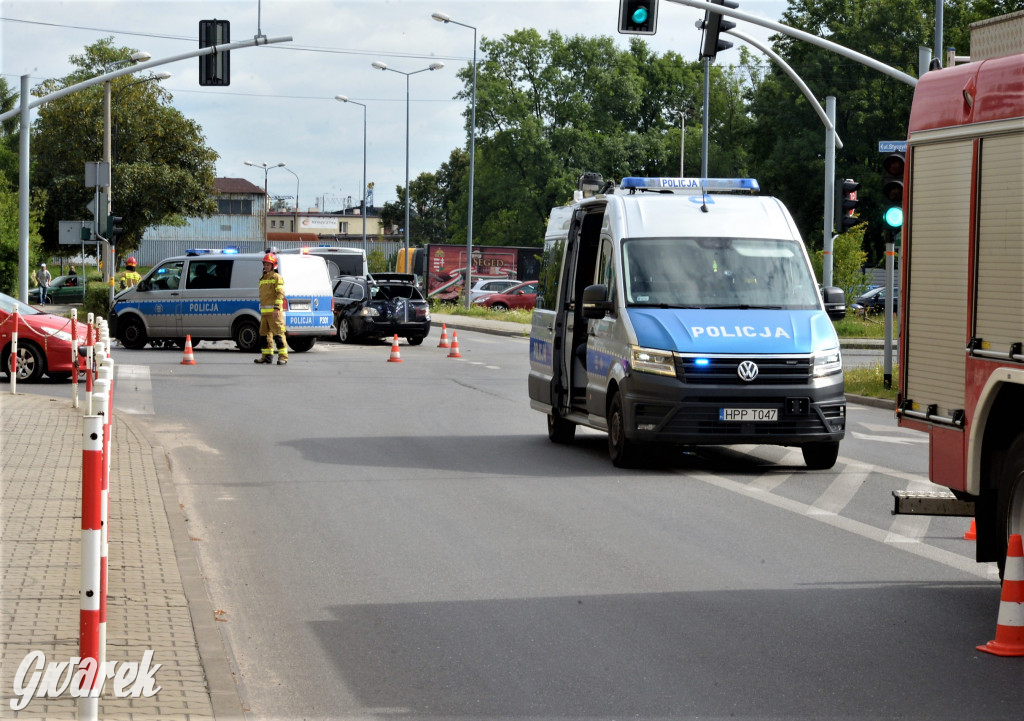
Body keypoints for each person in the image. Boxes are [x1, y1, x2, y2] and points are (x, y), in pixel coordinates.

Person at [255, 252, 288, 366]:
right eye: (265, 264)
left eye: (268, 264)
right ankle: (267, 357)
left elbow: (280, 294)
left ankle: (283, 357)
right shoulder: (263, 278)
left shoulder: (277, 277)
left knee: (278, 335)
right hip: (264, 313)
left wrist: (277, 308)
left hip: (274, 313)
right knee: (264, 336)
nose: (266, 266)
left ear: (274, 265)